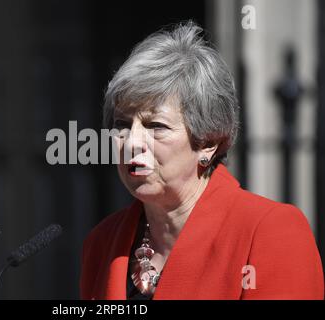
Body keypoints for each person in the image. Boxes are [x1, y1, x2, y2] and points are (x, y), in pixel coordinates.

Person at [79, 21, 324, 300]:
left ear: (208, 142)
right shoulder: (101, 243)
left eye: (155, 126)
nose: (132, 142)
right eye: (122, 125)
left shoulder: (270, 233)